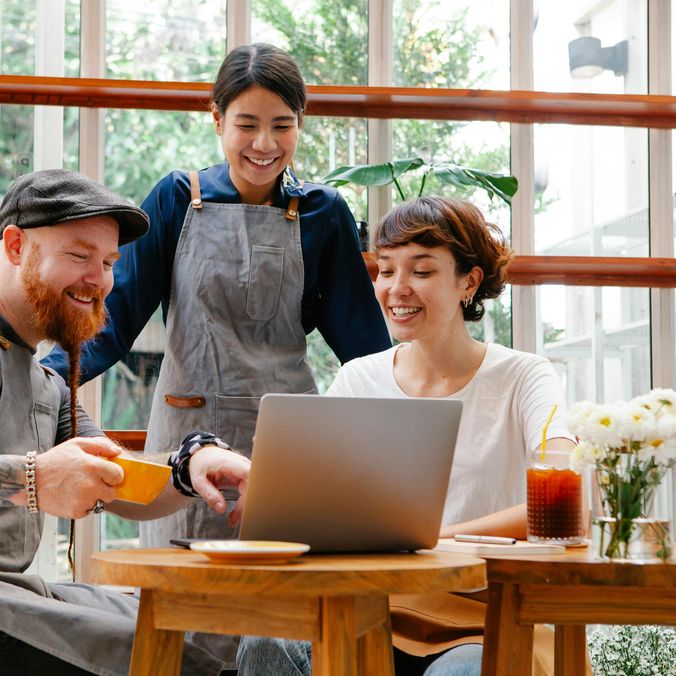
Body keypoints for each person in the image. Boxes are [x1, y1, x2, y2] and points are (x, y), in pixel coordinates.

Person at [43, 42, 390, 552]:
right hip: (187, 441)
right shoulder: (176, 198)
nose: (265, 143)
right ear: (217, 120)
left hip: (288, 442)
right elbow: (112, 323)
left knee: (285, 614)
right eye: (247, 124)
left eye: (282, 124)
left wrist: (413, 428)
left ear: (300, 122)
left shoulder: (324, 212)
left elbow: (364, 349)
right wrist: (41, 379)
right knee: (184, 613)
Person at [236, 196, 579, 676]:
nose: (397, 289)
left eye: (421, 271)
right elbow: (317, 502)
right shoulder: (358, 379)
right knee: (264, 645)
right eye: (386, 270)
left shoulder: (524, 377)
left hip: (488, 615)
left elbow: (564, 497)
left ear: (469, 282)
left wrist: (429, 542)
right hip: (373, 609)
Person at [0, 169, 250, 676]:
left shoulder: (46, 384)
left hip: (22, 593)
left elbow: (120, 480)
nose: (100, 279)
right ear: (15, 245)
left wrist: (190, 464)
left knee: (185, 631)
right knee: (160, 658)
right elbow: (38, 476)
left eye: (110, 262)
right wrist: (33, 478)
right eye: (78, 256)